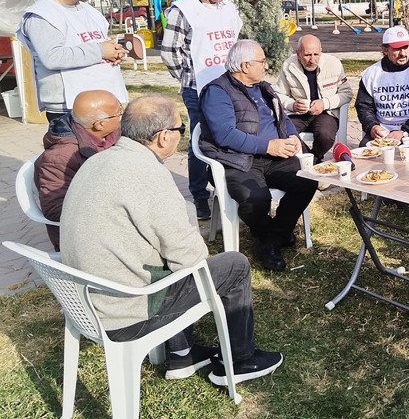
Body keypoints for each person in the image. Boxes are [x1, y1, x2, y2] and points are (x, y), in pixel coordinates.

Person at [60, 96, 283, 385]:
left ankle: (182, 354)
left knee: (163, 253)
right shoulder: (146, 172)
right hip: (125, 314)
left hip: (84, 303)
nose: (182, 136)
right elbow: (189, 258)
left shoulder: (97, 160)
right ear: (163, 136)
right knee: (234, 265)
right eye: (182, 129)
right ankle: (240, 360)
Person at [198, 40, 317, 272]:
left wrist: (293, 137)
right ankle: (271, 238)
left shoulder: (263, 87)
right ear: (244, 66)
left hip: (274, 157)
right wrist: (267, 146)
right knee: (256, 199)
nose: (266, 65)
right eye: (262, 62)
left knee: (307, 180)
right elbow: (225, 135)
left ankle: (271, 238)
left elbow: (282, 119)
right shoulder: (217, 91)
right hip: (237, 160)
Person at [161, 0, 243, 221]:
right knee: (201, 139)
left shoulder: (228, 7)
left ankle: (229, 187)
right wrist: (188, 79)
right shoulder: (182, 10)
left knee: (231, 134)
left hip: (230, 86)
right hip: (199, 89)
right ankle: (199, 195)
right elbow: (169, 51)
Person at [16, 0, 128, 122]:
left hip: (105, 102)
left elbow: (100, 44)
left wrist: (114, 52)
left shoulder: (90, 12)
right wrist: (100, 51)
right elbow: (52, 57)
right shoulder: (42, 15)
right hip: (69, 109)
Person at [33, 89, 122, 251]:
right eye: (118, 113)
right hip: (84, 236)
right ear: (99, 124)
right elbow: (54, 209)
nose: (121, 116)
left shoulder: (110, 133)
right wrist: (114, 208)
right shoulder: (60, 157)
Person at [275, 34, 352, 162]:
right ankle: (310, 159)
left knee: (325, 135)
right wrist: (292, 105)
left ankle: (314, 159)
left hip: (326, 113)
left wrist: (324, 103)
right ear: (298, 53)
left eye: (316, 54)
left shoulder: (334, 64)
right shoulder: (288, 65)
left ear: (321, 51)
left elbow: (347, 93)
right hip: (298, 113)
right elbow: (278, 94)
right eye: (307, 55)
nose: (312, 60)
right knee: (283, 131)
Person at [355, 25, 409, 145]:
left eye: (405, 47)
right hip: (382, 131)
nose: (403, 53)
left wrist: (404, 131)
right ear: (385, 49)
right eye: (397, 49)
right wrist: (372, 126)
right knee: (364, 151)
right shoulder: (371, 74)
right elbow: (363, 106)